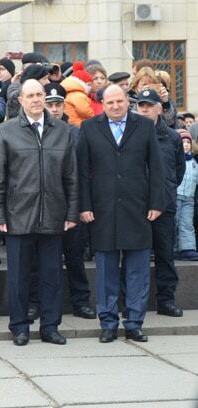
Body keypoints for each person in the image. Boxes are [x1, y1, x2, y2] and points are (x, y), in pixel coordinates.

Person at [0, 79, 79, 346]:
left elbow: (72, 177)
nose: (37, 100)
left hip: (53, 214)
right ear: (21, 100)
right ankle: (19, 326)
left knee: (51, 275)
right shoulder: (5, 131)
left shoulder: (63, 131)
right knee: (19, 276)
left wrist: (71, 213)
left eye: (40, 95)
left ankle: (50, 326)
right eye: (31, 95)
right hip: (18, 216)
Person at [77, 85, 164, 343]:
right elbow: (82, 170)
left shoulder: (145, 126)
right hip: (102, 210)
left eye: (119, 101)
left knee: (137, 269)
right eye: (109, 102)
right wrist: (84, 205)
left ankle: (135, 322)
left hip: (138, 209)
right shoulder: (90, 128)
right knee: (106, 271)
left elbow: (156, 168)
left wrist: (156, 203)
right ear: (102, 104)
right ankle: (108, 322)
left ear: (128, 101)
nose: (115, 106)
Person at [29, 82, 96, 320]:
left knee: (74, 257)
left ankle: (80, 301)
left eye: (58, 104)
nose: (55, 109)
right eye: (51, 104)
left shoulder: (76, 132)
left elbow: (84, 171)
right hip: (45, 206)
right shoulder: (38, 131)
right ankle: (36, 302)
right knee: (41, 260)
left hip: (71, 204)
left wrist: (80, 206)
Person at [135, 89, 185, 317]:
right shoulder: (130, 133)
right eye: (140, 105)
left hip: (163, 206)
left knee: (165, 255)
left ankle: (166, 300)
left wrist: (165, 191)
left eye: (148, 105)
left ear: (159, 108)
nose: (144, 109)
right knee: (135, 257)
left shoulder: (172, 137)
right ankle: (134, 302)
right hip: (136, 206)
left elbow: (178, 171)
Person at [175, 130, 198, 261]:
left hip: (189, 198)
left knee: (187, 223)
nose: (185, 145)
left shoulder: (195, 163)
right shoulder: (175, 160)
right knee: (174, 223)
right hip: (175, 196)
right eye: (182, 142)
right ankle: (173, 249)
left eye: (188, 142)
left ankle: (188, 248)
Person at [61, 62, 94, 127]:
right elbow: (83, 110)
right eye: (89, 85)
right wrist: (93, 114)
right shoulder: (78, 95)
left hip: (71, 122)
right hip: (78, 124)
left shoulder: (71, 92)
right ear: (83, 83)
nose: (90, 87)